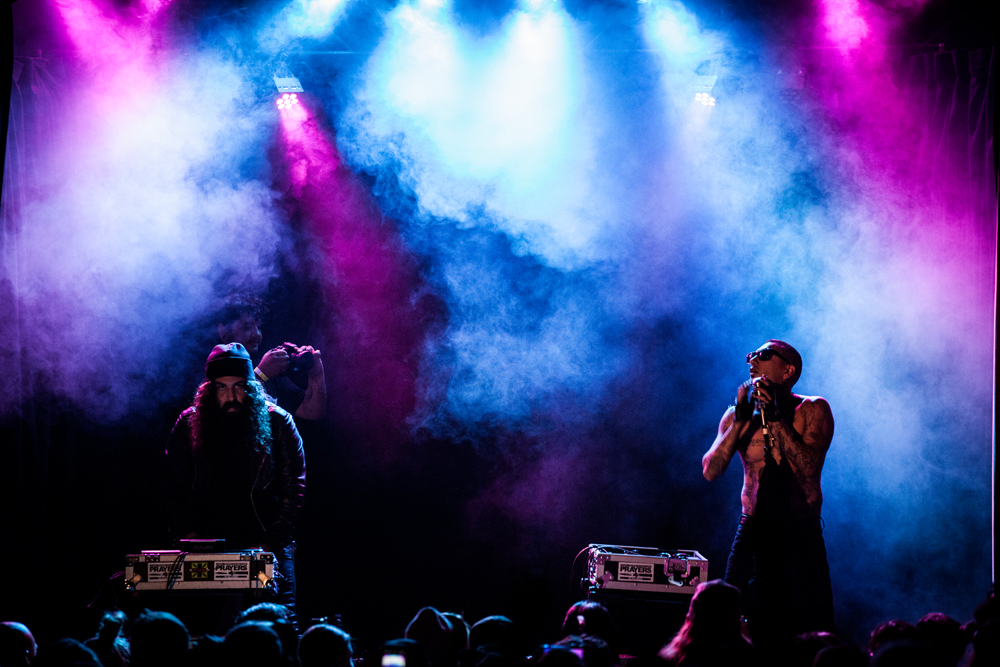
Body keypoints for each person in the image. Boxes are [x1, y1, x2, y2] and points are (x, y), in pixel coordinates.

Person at [701, 340, 835, 653]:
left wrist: (774, 416)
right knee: (730, 619)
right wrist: (740, 422)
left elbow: (808, 468)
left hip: (799, 531)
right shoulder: (735, 415)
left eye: (763, 355)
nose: (752, 360)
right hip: (753, 529)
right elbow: (710, 471)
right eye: (751, 355)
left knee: (811, 624)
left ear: (788, 370)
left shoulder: (812, 409)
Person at [165, 343, 306, 619]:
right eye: (221, 387)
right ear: (208, 390)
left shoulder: (278, 422)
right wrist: (189, 535)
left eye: (239, 386)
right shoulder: (187, 424)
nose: (231, 396)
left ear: (251, 387)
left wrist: (269, 547)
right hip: (206, 544)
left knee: (277, 631)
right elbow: (172, 487)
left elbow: (293, 491)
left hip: (267, 542)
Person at [216, 296, 327, 421]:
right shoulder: (214, 369)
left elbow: (310, 411)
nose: (257, 334)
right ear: (223, 331)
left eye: (259, 328)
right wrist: (261, 374)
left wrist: (316, 373)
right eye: (247, 327)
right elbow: (227, 417)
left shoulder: (267, 368)